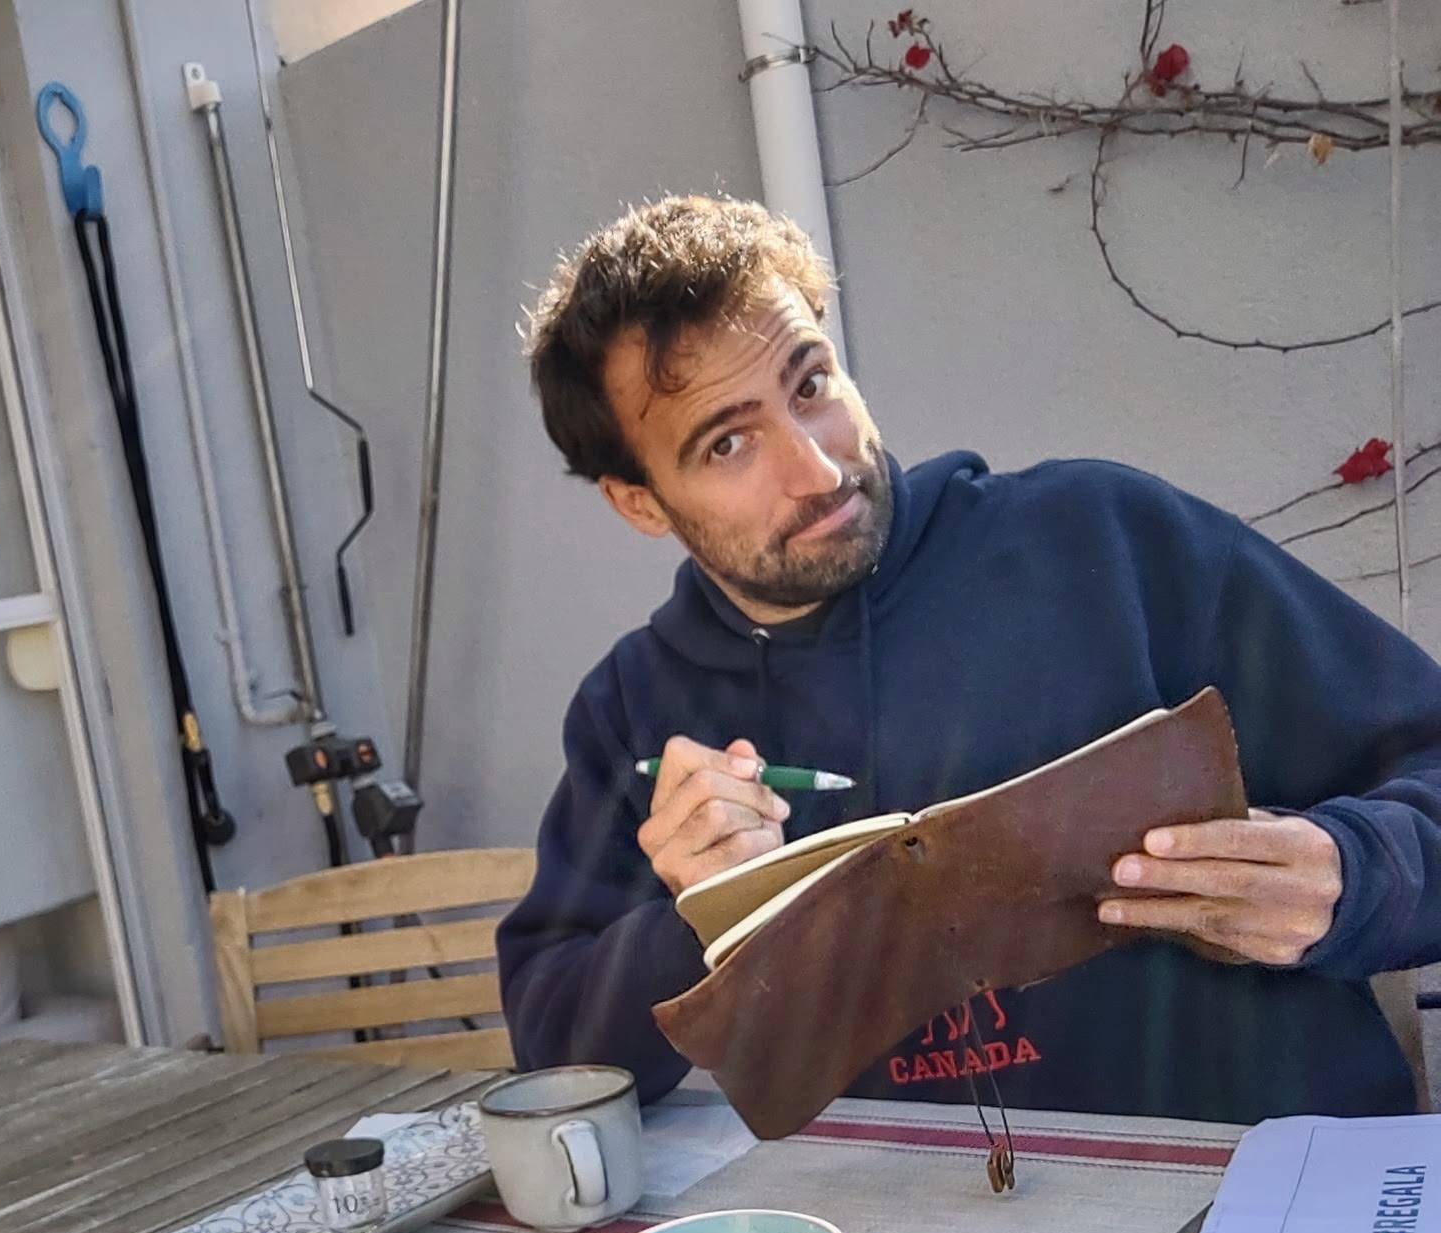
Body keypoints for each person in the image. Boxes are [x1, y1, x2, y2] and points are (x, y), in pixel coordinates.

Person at [497, 193, 1441, 1126]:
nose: (819, 470)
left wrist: (1352, 875)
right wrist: (701, 923)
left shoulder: (1106, 541)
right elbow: (555, 1047)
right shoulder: (638, 704)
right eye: (730, 442)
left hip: (1269, 1199)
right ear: (640, 503)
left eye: (811, 385)